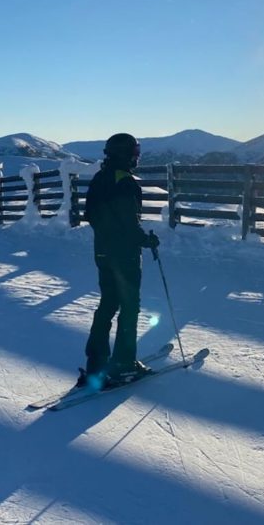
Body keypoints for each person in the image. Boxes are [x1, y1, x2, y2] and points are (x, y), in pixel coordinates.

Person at [80, 132, 160, 389]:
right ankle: (124, 364)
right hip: (123, 256)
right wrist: (145, 240)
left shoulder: (100, 177)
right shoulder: (124, 181)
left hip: (102, 252)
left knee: (107, 304)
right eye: (135, 152)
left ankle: (97, 362)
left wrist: (108, 235)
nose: (137, 157)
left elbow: (90, 215)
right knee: (129, 307)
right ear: (125, 154)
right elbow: (128, 223)